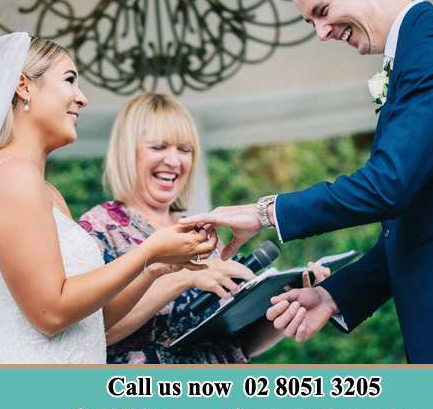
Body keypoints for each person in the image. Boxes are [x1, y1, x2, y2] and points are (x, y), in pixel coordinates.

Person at [182, 0, 433, 364]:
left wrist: (264, 213)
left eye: (322, 9)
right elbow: (418, 224)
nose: (321, 32)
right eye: (310, 21)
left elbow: (387, 185)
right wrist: (335, 295)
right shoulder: (416, 53)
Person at [0, 34, 215, 364]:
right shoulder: (11, 177)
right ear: (24, 86)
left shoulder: (47, 191)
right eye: (69, 80)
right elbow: (50, 313)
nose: (82, 99)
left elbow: (95, 319)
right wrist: (148, 251)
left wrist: (154, 268)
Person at [79, 92, 330, 363]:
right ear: (127, 151)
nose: (174, 161)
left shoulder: (201, 232)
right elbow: (92, 335)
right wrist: (184, 278)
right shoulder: (96, 230)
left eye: (184, 150)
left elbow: (238, 345)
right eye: (158, 147)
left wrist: (291, 306)